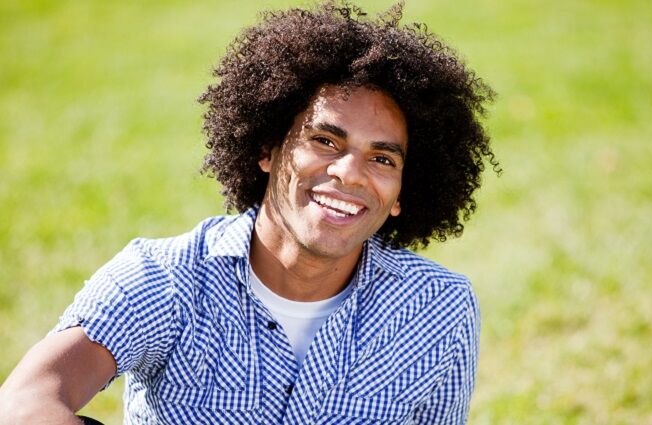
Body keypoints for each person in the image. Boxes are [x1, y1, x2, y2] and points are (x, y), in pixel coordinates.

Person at [0, 1, 499, 423]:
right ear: (267, 148)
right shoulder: (162, 281)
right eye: (325, 140)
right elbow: (24, 404)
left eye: (382, 158)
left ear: (401, 194)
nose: (350, 173)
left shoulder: (439, 309)